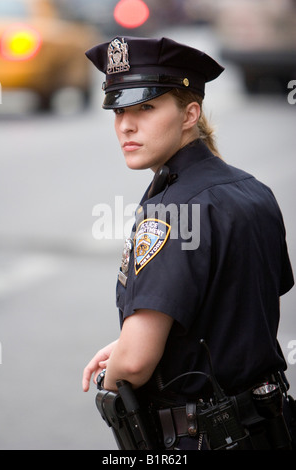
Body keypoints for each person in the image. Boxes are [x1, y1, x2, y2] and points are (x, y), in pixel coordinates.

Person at [82, 36, 295, 450]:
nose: (126, 124)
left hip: (204, 439)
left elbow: (137, 363)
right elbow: (233, 312)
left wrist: (118, 371)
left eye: (145, 107)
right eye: (119, 109)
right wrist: (132, 341)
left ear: (189, 113)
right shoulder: (253, 190)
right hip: (273, 427)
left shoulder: (168, 211)